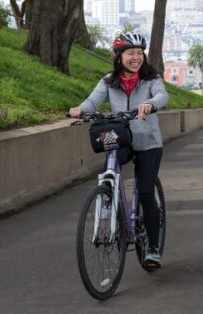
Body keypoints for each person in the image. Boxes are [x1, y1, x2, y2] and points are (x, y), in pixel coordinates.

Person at [69, 32, 169, 269]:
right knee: (110, 172)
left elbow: (162, 96)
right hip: (121, 138)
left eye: (139, 53)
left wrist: (151, 103)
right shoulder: (109, 80)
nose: (136, 58)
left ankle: (153, 249)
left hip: (148, 143)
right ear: (119, 56)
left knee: (146, 193)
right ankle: (109, 200)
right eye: (130, 53)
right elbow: (92, 101)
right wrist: (80, 109)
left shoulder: (151, 79)